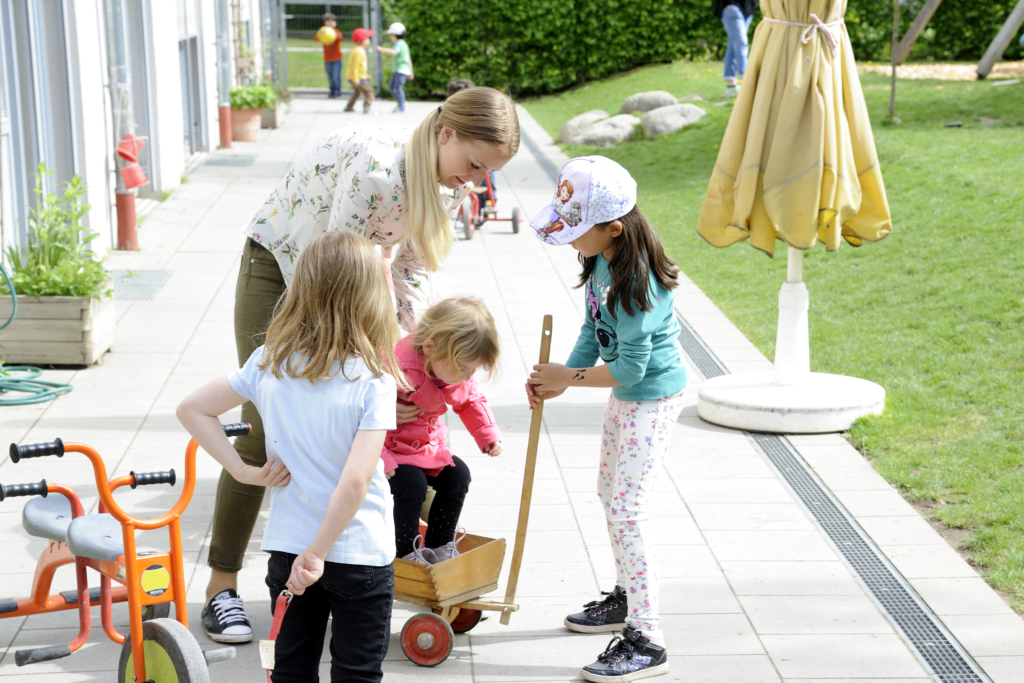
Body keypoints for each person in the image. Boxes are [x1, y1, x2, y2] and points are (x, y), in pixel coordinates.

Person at [199, 86, 520, 645]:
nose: (471, 183)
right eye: (472, 165)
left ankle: (340, 556)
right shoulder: (378, 169)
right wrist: (373, 369)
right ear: (446, 133)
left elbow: (407, 275)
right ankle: (221, 587)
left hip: (346, 281)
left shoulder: (445, 186)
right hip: (285, 266)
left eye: (484, 174)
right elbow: (336, 278)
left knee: (363, 424)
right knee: (262, 424)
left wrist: (405, 360)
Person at [177, 230, 404, 682]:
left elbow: (192, 409)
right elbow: (356, 480)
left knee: (292, 670)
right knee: (357, 672)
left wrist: (243, 469)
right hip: (357, 550)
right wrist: (320, 553)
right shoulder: (374, 379)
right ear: (372, 296)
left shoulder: (268, 362)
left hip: (288, 546)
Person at [526, 156, 687, 682]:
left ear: (613, 228)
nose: (569, 240)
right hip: (628, 395)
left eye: (575, 230)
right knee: (606, 494)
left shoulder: (639, 286)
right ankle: (624, 597)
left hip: (652, 398)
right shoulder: (601, 262)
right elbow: (593, 333)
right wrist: (561, 376)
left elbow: (628, 369)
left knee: (627, 510)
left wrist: (565, 380)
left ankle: (648, 636)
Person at [382, 297, 502, 563]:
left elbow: (471, 399)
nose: (467, 376)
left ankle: (439, 544)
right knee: (411, 486)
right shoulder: (396, 366)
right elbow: (362, 414)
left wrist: (487, 434)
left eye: (473, 369)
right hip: (387, 449)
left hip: (425, 446)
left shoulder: (447, 366)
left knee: (458, 475)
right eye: (463, 368)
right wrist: (381, 458)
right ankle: (405, 552)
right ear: (430, 347)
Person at [447, 79, 498, 222]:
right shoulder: (447, 114)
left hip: (479, 153)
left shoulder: (480, 114)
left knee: (487, 172)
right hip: (461, 153)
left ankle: (489, 201)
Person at [713, 0, 756, 97]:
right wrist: (729, 3)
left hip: (747, 10)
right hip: (733, 8)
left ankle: (731, 85)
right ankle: (747, 83)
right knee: (741, 44)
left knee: (733, 45)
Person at [376, 22, 413, 113]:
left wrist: (381, 49)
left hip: (401, 70)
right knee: (392, 88)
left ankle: (402, 105)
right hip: (401, 70)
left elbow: (394, 52)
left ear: (394, 35)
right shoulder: (403, 44)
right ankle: (401, 103)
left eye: (391, 35)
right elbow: (408, 58)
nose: (390, 37)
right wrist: (411, 71)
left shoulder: (399, 44)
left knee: (397, 88)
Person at [345, 28, 374, 113]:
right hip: (358, 78)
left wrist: (365, 74)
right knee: (369, 92)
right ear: (361, 40)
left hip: (357, 76)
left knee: (357, 92)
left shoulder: (358, 50)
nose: (369, 41)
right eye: (367, 39)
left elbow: (359, 66)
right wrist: (356, 79)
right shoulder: (358, 52)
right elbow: (355, 67)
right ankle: (367, 108)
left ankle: (349, 107)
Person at [317, 13, 344, 99]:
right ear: (324, 22)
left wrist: (334, 34)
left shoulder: (337, 32)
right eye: (328, 21)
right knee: (330, 76)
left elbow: (340, 38)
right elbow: (316, 37)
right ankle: (332, 90)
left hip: (337, 58)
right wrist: (322, 33)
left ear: (335, 22)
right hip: (327, 59)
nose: (330, 23)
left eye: (333, 21)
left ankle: (337, 91)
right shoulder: (323, 32)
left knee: (336, 76)